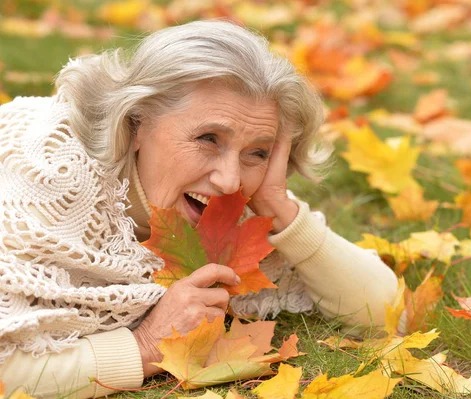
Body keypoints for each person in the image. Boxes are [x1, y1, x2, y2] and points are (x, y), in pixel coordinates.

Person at [0, 20, 397, 398]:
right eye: (209, 138)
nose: (229, 180)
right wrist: (147, 345)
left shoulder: (242, 204)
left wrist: (278, 204)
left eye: (257, 151)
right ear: (135, 123)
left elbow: (381, 311)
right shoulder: (48, 173)